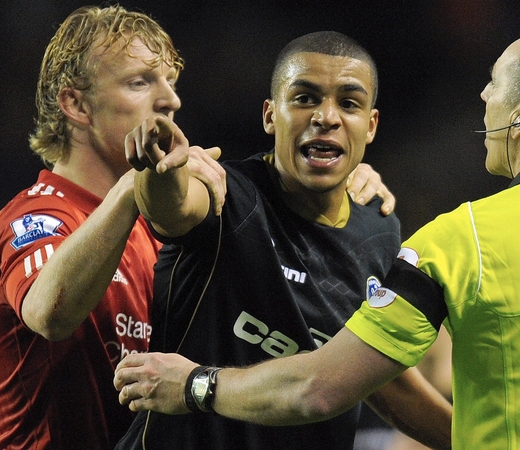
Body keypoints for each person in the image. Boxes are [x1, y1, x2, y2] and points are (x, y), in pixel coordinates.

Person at [115, 26, 520, 449]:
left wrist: (197, 384)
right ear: (270, 113)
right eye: (306, 97)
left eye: (495, 84)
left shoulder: (460, 239)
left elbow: (325, 386)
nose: (482, 96)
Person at [0, 7, 392, 450]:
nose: (170, 101)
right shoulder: (35, 219)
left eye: (170, 82)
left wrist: (334, 191)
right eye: (140, 82)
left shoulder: (166, 226)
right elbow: (49, 315)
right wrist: (129, 189)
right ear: (76, 104)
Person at [112, 31, 453, 450]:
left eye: (348, 103)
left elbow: (382, 379)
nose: (327, 117)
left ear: (371, 126)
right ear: (271, 116)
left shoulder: (379, 231)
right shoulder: (228, 197)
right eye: (305, 98)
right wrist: (158, 167)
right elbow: (173, 206)